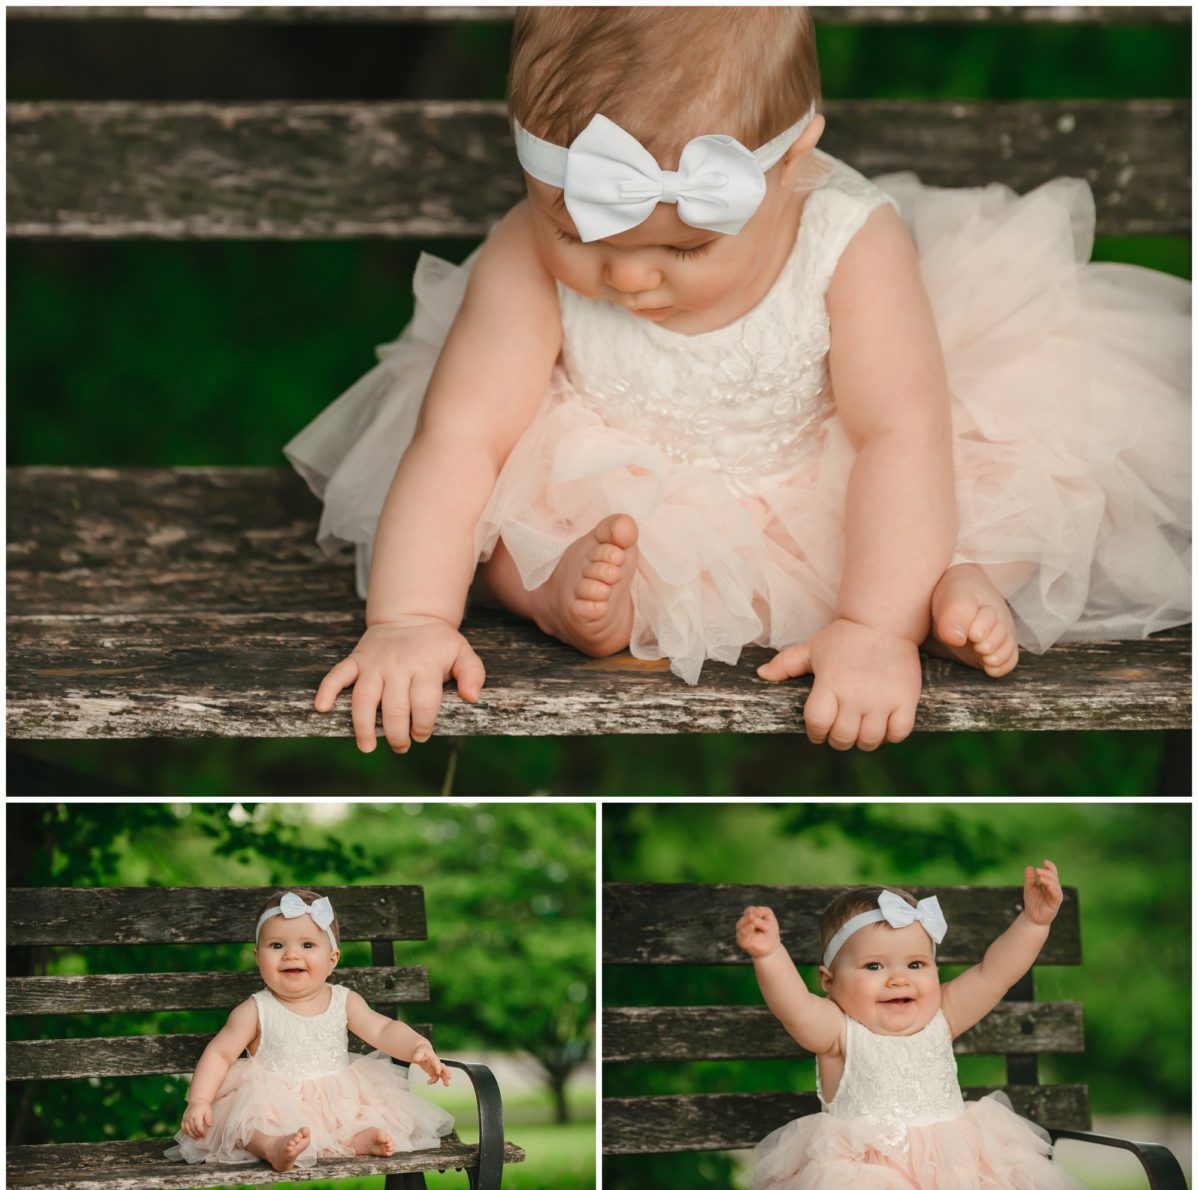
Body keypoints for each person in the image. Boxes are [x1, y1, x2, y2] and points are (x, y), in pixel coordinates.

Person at [286, 5, 1190, 755]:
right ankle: (557, 599)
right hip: (617, 474)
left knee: (1011, 479)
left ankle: (952, 581)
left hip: (837, 471)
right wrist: (408, 619)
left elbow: (898, 436)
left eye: (683, 247)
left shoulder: (848, 242)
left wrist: (874, 630)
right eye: (577, 234)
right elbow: (463, 436)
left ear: (793, 165)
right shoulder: (522, 253)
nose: (629, 277)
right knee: (488, 524)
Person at [741, 862, 1080, 1190]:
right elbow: (796, 1008)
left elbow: (994, 974)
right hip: (864, 1176)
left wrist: (1034, 923)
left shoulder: (943, 1016)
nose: (899, 979)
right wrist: (769, 955)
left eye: (916, 964)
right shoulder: (838, 1032)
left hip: (956, 1168)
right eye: (874, 966)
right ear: (829, 981)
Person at [168, 888, 453, 1173]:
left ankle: (357, 1140)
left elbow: (383, 1030)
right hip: (273, 1103)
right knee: (247, 1122)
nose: (291, 954)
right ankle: (271, 1146)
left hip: (335, 1101)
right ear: (257, 956)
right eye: (276, 945)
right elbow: (219, 1054)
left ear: (332, 958)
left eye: (307, 945)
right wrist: (200, 1100)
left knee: (362, 1114)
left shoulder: (344, 1001)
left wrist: (418, 1047)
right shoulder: (254, 1010)